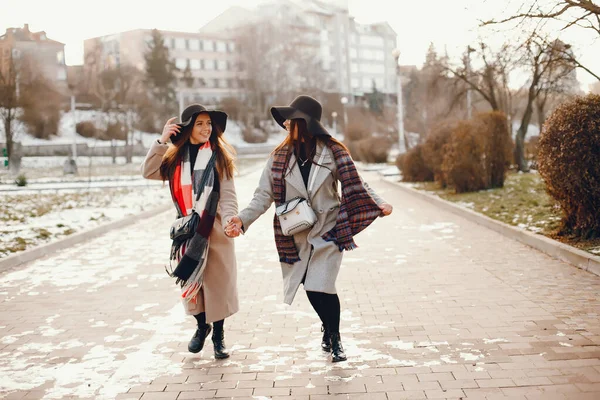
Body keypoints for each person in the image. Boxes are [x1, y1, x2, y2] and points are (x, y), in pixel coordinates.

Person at [226, 95, 393, 362]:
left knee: (321, 285)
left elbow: (358, 183)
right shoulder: (278, 158)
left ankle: (336, 340)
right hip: (297, 235)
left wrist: (380, 203)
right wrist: (242, 219)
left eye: (291, 120)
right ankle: (327, 328)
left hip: (330, 230)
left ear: (303, 122)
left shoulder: (333, 152)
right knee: (310, 287)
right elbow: (262, 196)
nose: (286, 125)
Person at [141, 104, 239, 359]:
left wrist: (230, 219)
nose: (207, 128)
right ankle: (201, 326)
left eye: (209, 124)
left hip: (215, 228)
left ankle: (218, 336)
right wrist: (162, 140)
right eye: (200, 124)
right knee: (192, 282)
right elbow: (148, 171)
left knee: (217, 285)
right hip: (187, 230)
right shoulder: (175, 158)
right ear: (187, 129)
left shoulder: (219, 157)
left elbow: (227, 195)